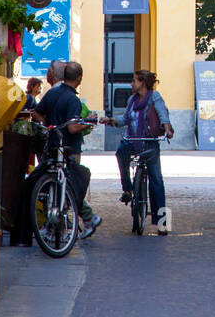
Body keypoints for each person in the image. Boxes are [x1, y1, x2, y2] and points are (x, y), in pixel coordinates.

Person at [103, 70, 174, 234]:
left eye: (134, 80)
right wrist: (111, 120)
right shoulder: (132, 100)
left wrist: (167, 129)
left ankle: (163, 223)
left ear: (142, 82)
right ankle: (127, 189)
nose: (131, 83)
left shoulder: (154, 97)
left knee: (156, 180)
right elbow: (125, 119)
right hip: (133, 142)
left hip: (149, 143)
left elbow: (163, 114)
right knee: (121, 151)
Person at [41, 60, 102, 239]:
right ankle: (84, 219)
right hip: (69, 148)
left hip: (52, 144)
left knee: (57, 185)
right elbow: (73, 128)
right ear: (79, 78)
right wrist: (89, 121)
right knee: (71, 186)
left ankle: (62, 224)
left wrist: (49, 125)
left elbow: (37, 112)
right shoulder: (73, 99)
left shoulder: (52, 94)